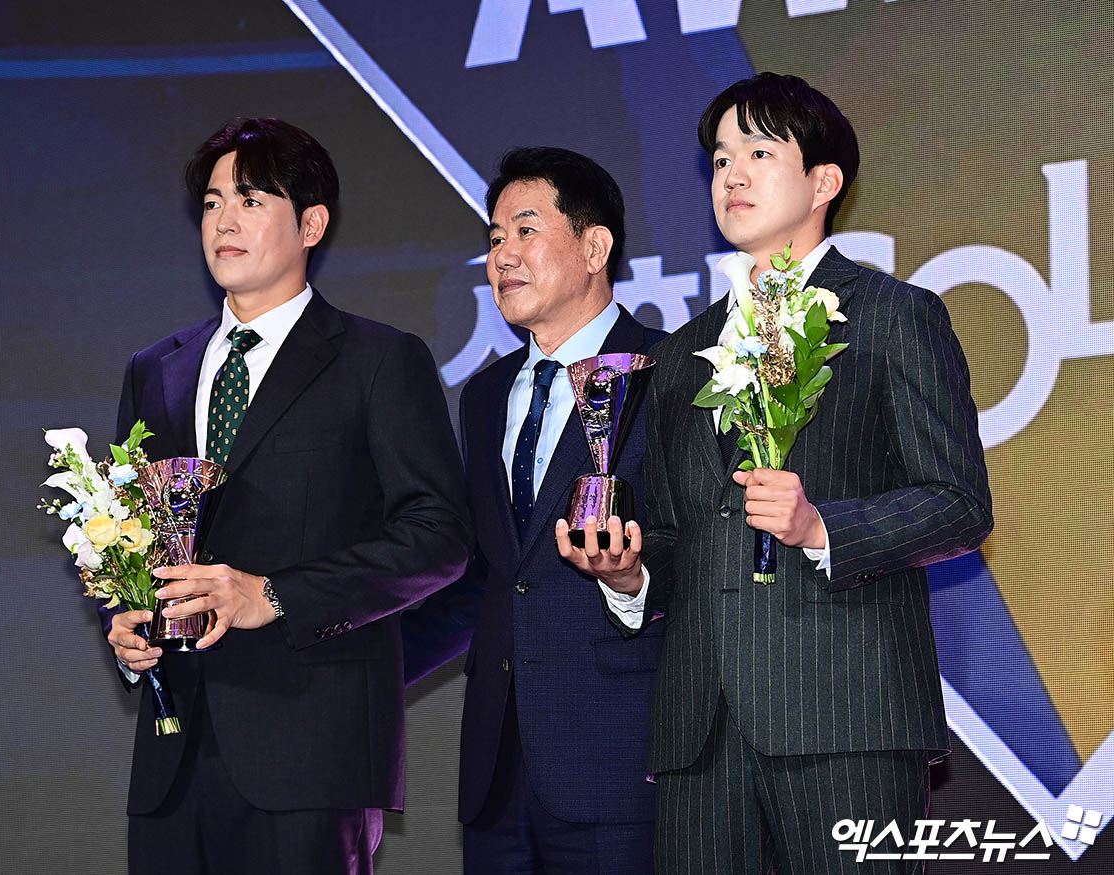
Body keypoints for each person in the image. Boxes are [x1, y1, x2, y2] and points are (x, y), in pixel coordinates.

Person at [559, 73, 993, 874]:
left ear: (823, 182)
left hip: (845, 716)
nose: (733, 174)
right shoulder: (681, 354)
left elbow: (960, 503)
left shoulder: (894, 315)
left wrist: (822, 526)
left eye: (759, 153)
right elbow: (684, 531)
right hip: (700, 727)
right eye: (722, 159)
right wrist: (630, 573)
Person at [104, 116, 471, 875]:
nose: (223, 221)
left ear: (311, 224)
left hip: (312, 752)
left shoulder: (379, 359)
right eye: (212, 203)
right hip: (173, 754)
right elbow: (132, 538)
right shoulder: (155, 368)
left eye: (250, 200)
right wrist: (131, 629)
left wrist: (273, 594)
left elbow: (438, 535)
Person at [402, 147, 667, 874]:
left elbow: (705, 547)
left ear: (594, 247)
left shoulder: (671, 372)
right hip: (497, 771)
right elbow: (492, 574)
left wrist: (633, 580)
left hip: (621, 762)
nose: (502, 256)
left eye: (525, 231)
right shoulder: (485, 395)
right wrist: (352, 667)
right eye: (494, 239)